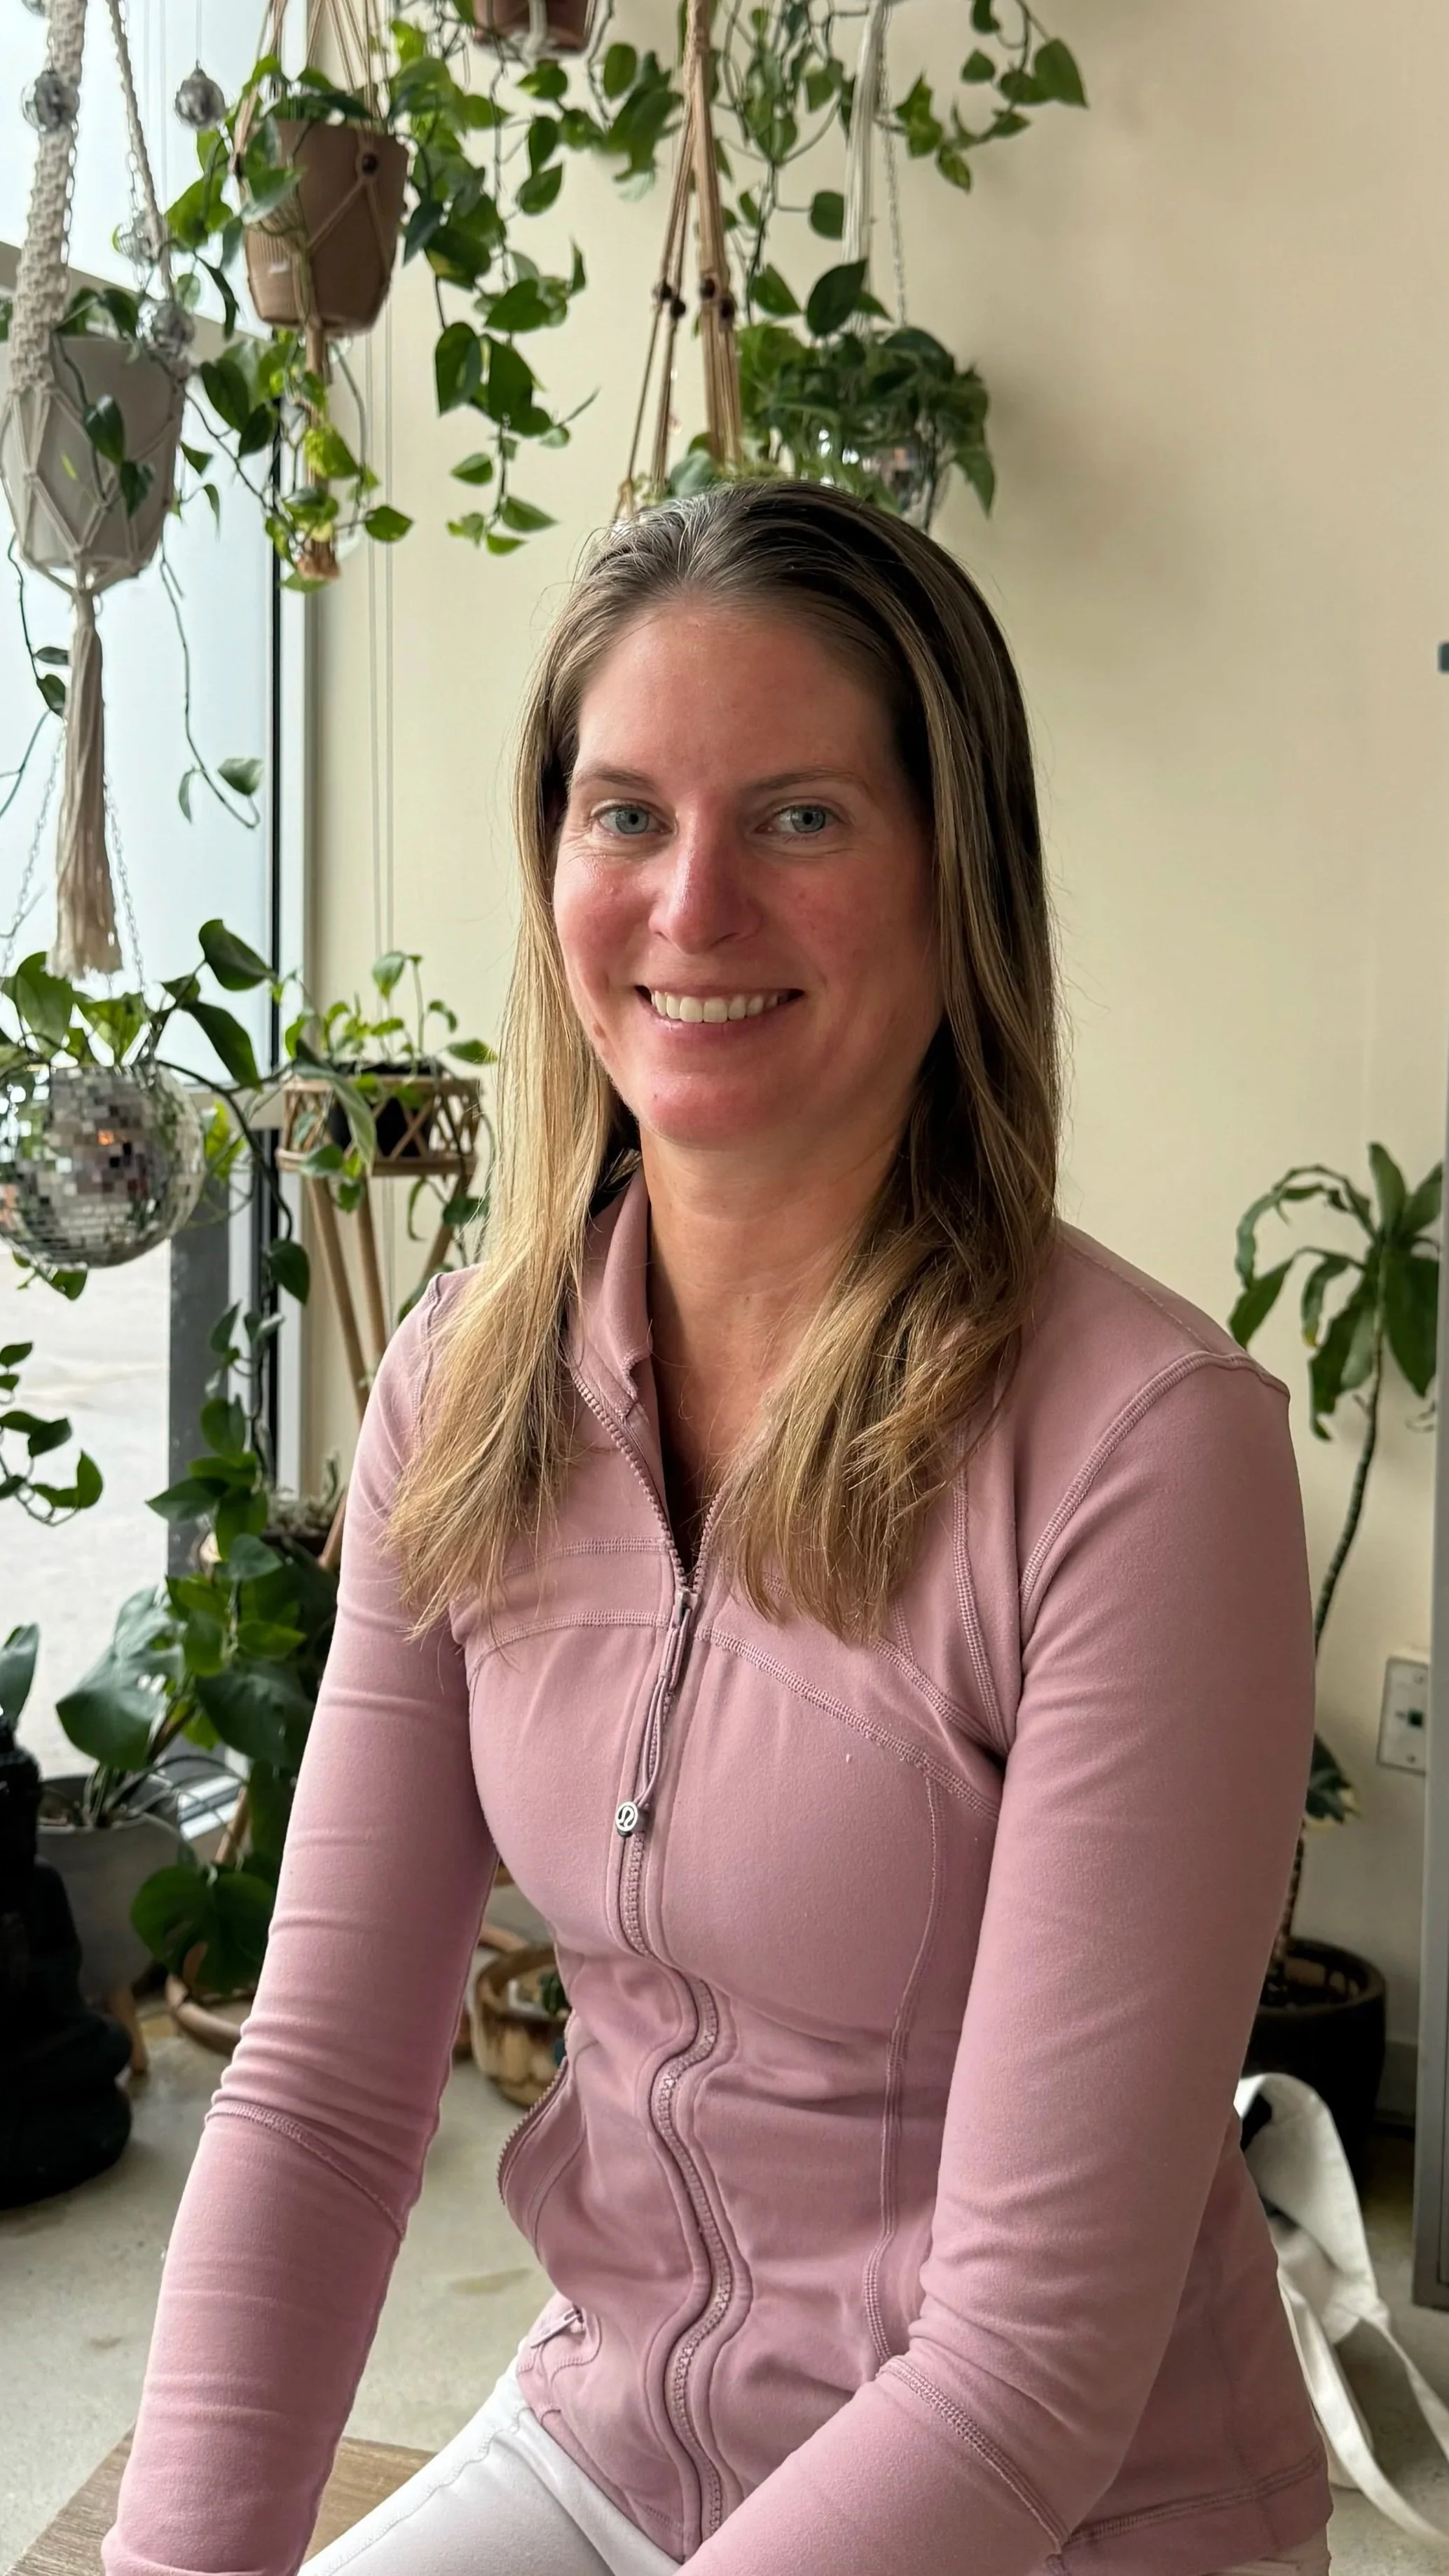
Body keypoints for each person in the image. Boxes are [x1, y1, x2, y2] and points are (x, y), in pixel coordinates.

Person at [103, 480, 1335, 2576]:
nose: (692, 905)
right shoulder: (464, 1387)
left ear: (957, 879)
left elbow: (1022, 2372)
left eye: (800, 817)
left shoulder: (1143, 1453)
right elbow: (317, 2094)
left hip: (1065, 2519)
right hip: (623, 2445)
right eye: (625, 816)